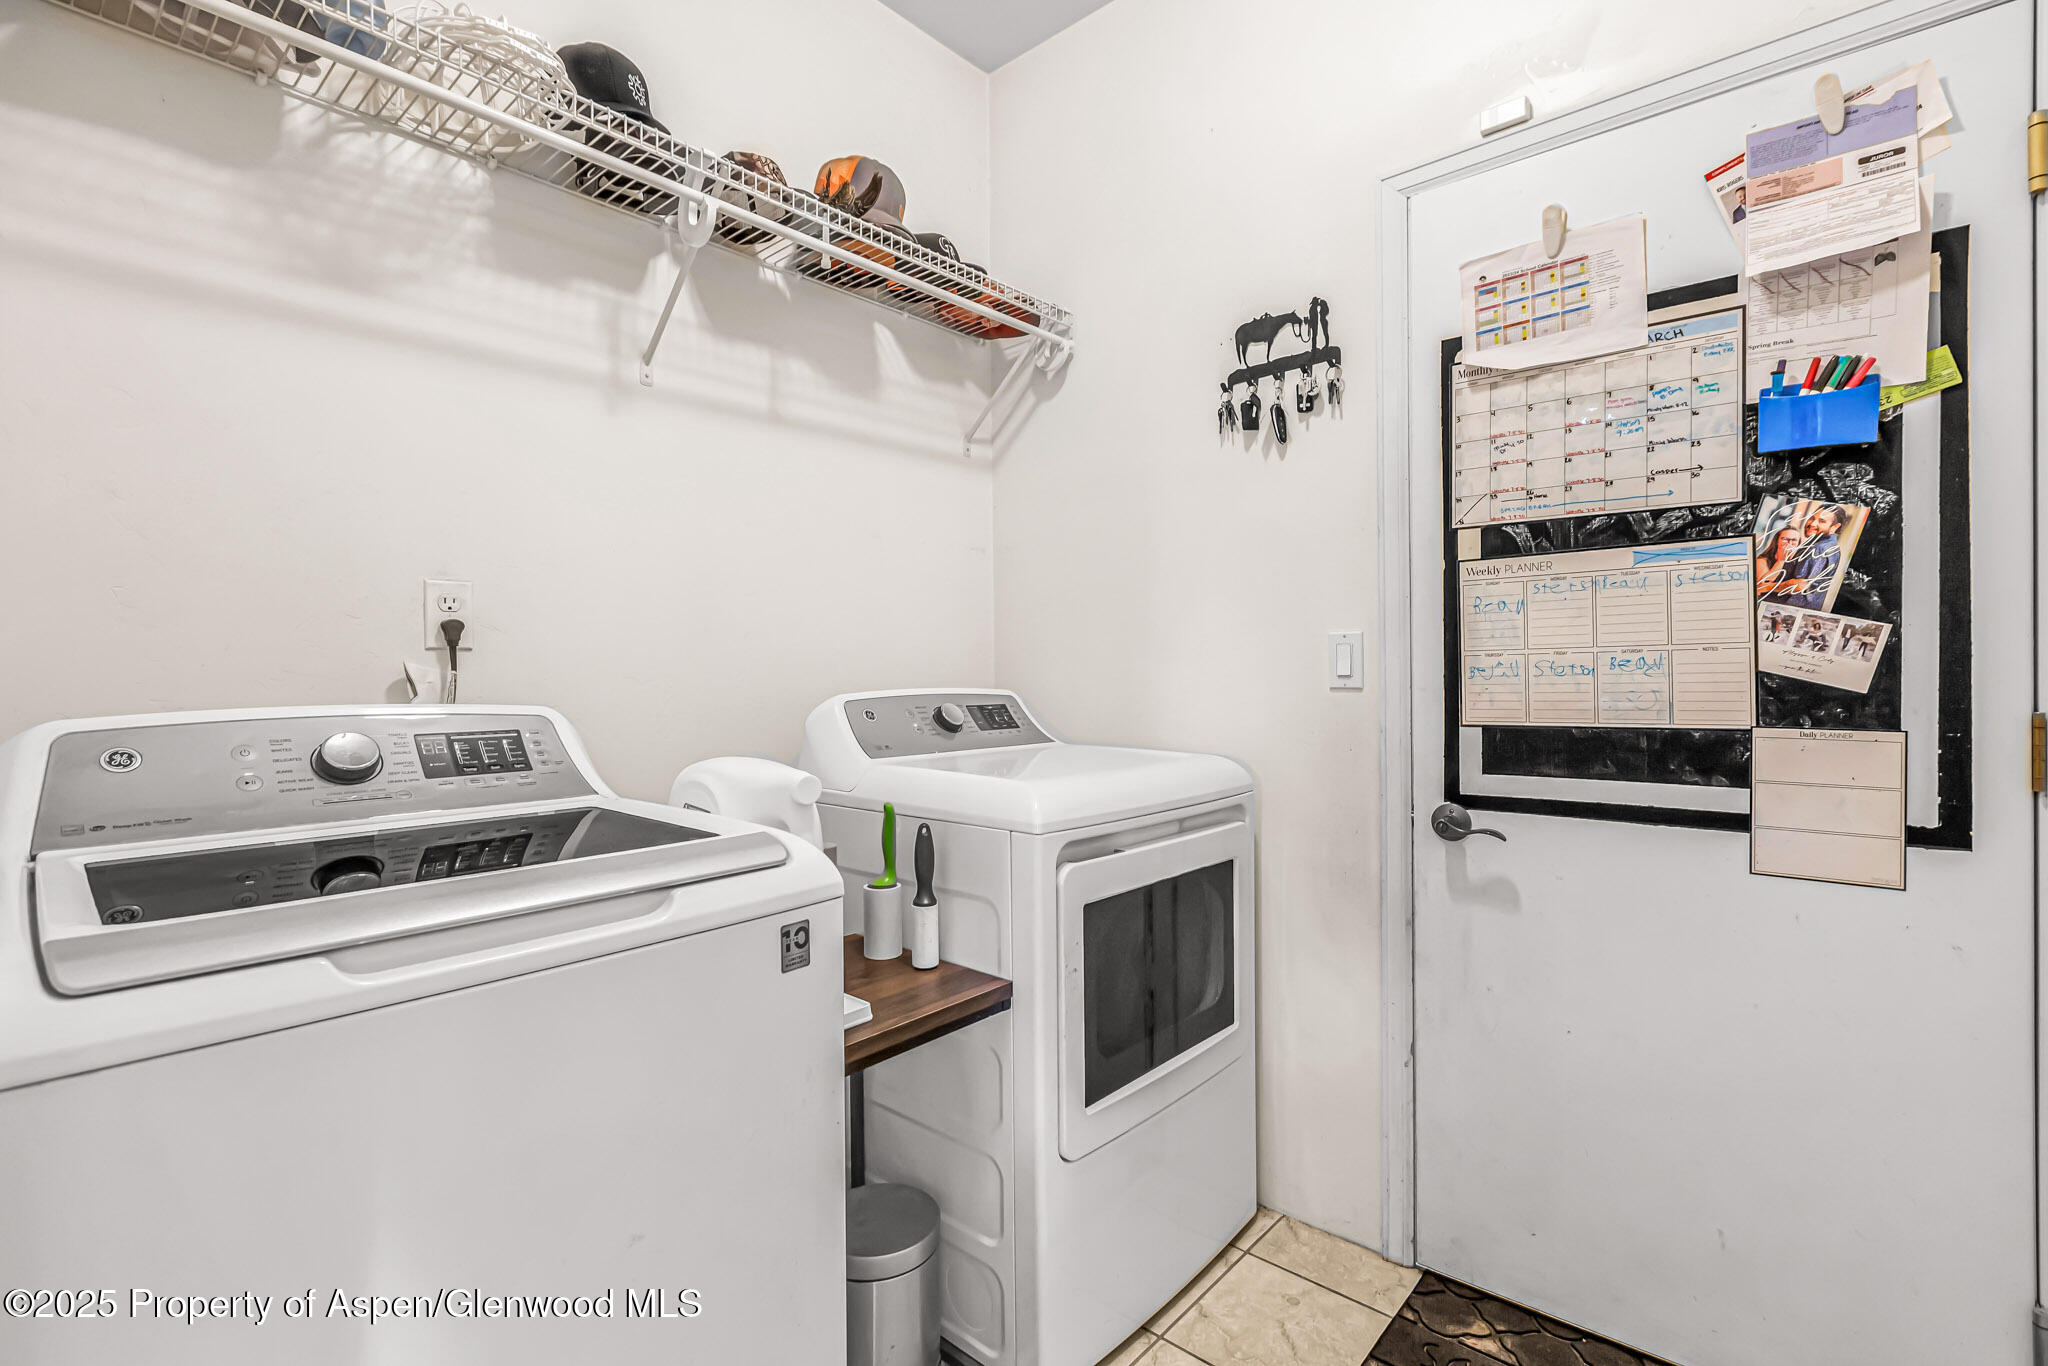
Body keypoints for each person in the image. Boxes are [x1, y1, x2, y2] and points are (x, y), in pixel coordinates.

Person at [1762, 504, 1847, 610]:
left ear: (1835, 527)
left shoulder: (1817, 548)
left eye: (1822, 521)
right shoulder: (1831, 547)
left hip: (1786, 608)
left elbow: (1800, 585)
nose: (1812, 523)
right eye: (1812, 518)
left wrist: (1766, 587)